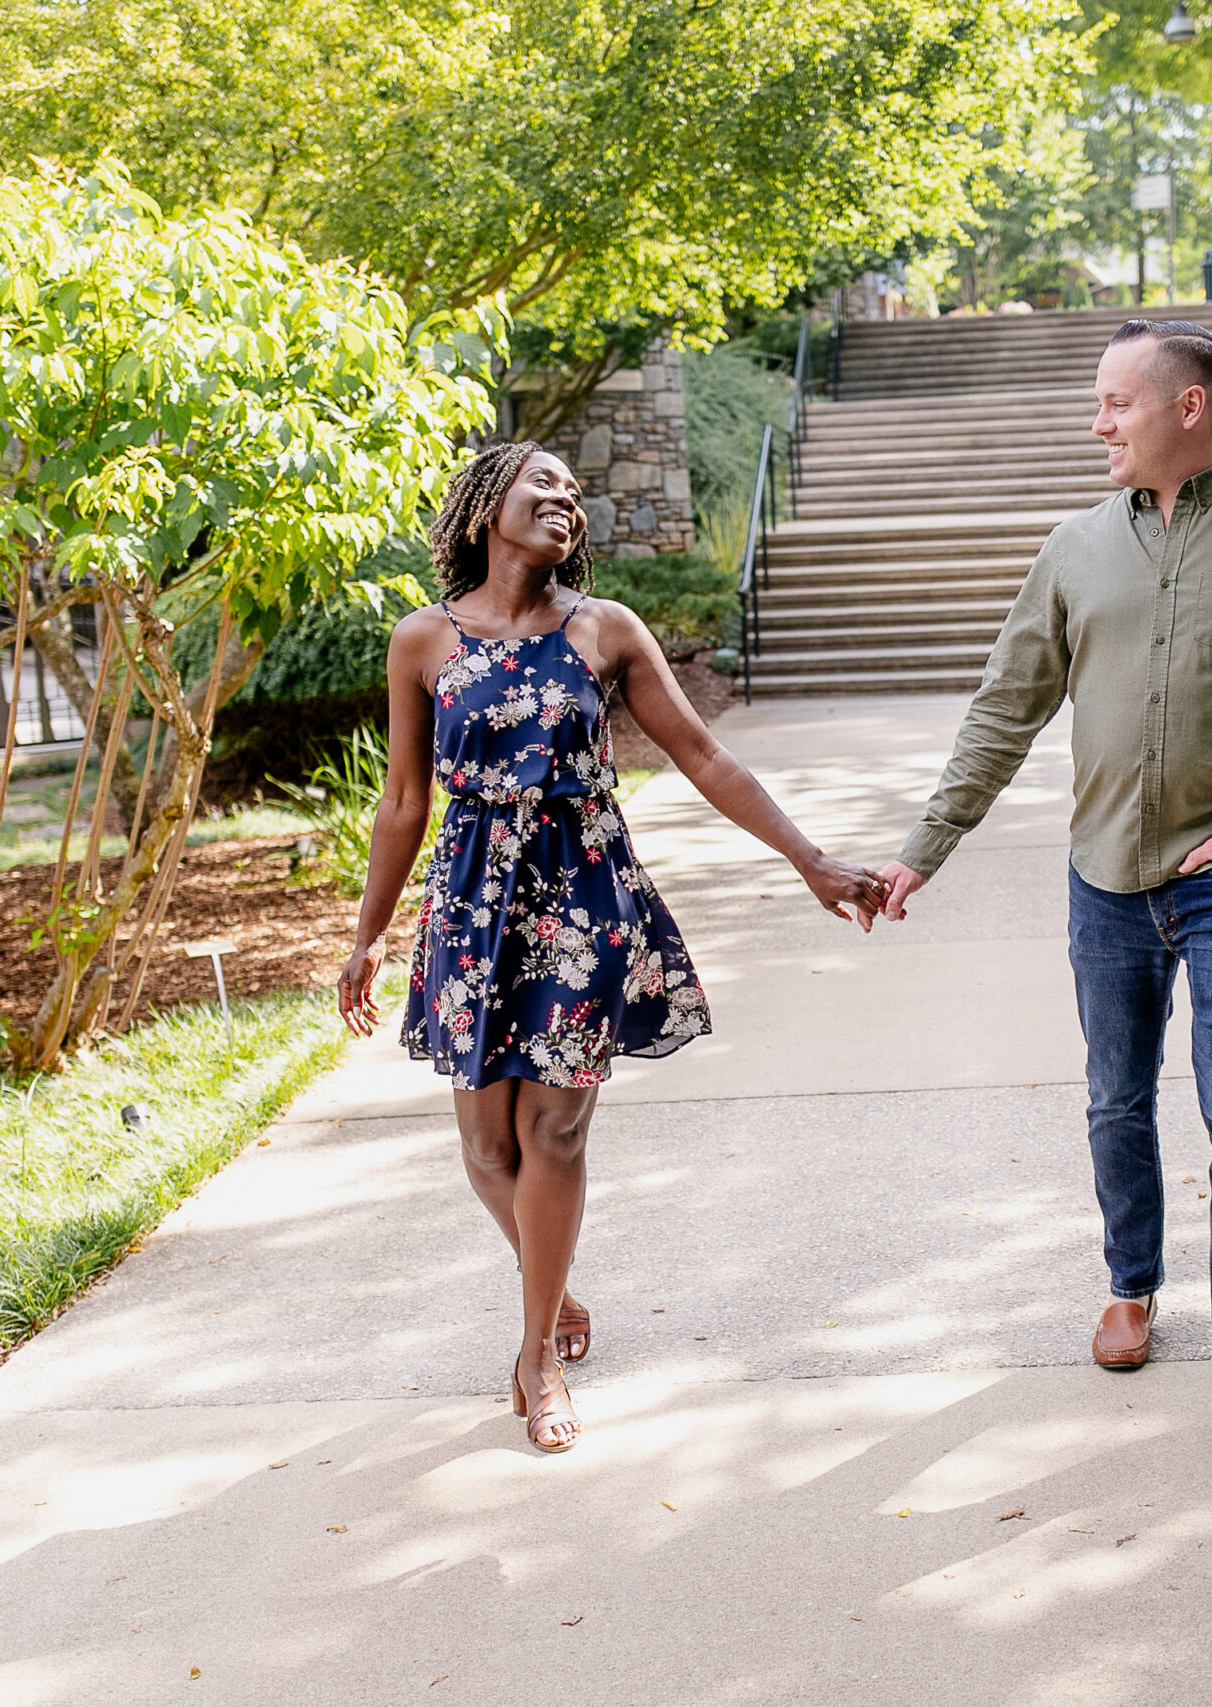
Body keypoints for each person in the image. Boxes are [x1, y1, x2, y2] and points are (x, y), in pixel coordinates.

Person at [876, 319, 1212, 1456]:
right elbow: (1005, 709)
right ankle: (1130, 1284)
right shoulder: (1071, 549)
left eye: (1115, 402)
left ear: (1186, 409)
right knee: (1114, 1098)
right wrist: (923, 848)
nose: (1096, 421)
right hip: (1102, 877)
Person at [340, 441, 887, 1454]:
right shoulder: (422, 640)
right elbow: (405, 799)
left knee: (552, 1136)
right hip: (469, 903)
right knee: (486, 1148)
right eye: (542, 485)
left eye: (575, 493)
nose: (564, 500)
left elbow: (705, 754)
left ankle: (536, 1348)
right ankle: (552, 1284)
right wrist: (368, 935)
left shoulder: (604, 631)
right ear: (481, 510)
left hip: (583, 895)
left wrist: (810, 859)